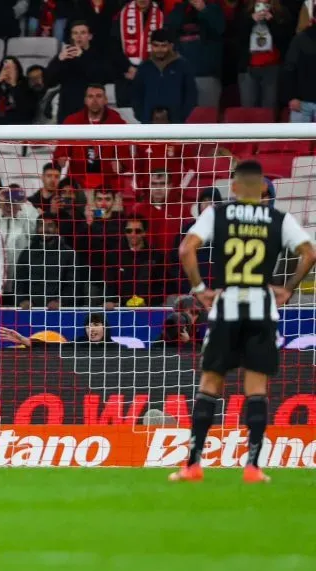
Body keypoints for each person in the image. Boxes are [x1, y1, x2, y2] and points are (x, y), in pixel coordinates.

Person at [171, 160, 315, 483]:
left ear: (233, 187)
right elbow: (310, 252)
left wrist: (199, 290)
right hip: (262, 308)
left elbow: (186, 250)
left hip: (227, 306)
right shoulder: (279, 218)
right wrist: (288, 288)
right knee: (257, 388)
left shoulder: (217, 214)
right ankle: (252, 467)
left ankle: (193, 465)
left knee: (210, 383)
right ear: (264, 187)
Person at [44, 20, 113, 122]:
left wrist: (82, 57)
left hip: (91, 109)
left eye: (83, 33)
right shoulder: (65, 55)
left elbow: (100, 78)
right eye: (75, 33)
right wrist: (59, 60)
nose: (78, 36)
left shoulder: (98, 55)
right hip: (67, 110)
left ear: (90, 36)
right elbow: (49, 81)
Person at [15, 217, 86, 310]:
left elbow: (73, 284)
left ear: (57, 229)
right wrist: (22, 300)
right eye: (41, 225)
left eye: (50, 226)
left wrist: (61, 302)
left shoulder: (68, 253)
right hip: (30, 308)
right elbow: (19, 281)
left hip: (60, 309)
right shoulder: (26, 253)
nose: (45, 229)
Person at [166, 0, 225, 110]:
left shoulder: (214, 8)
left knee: (206, 120)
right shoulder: (178, 10)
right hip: (182, 76)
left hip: (207, 75)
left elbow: (220, 29)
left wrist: (204, 10)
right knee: (183, 120)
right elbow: (169, 30)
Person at [234, 0, 292, 111]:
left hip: (272, 66)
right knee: (249, 109)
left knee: (269, 109)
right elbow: (237, 37)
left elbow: (285, 39)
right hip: (249, 67)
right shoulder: (244, 11)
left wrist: (271, 21)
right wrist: (251, 20)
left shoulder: (280, 12)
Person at [131, 29, 197, 124]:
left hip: (176, 123)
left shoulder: (183, 66)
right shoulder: (144, 67)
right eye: (156, 45)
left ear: (171, 46)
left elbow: (190, 95)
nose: (159, 49)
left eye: (163, 46)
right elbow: (136, 95)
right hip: (148, 124)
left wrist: (181, 117)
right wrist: (142, 116)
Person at [114, 0, 165, 107]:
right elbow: (112, 46)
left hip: (153, 73)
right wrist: (127, 67)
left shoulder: (161, 14)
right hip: (126, 74)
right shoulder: (121, 14)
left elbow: (167, 46)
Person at [281, 13, 316, 123]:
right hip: (302, 103)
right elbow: (289, 69)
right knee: (298, 140)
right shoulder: (301, 39)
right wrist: (291, 97)